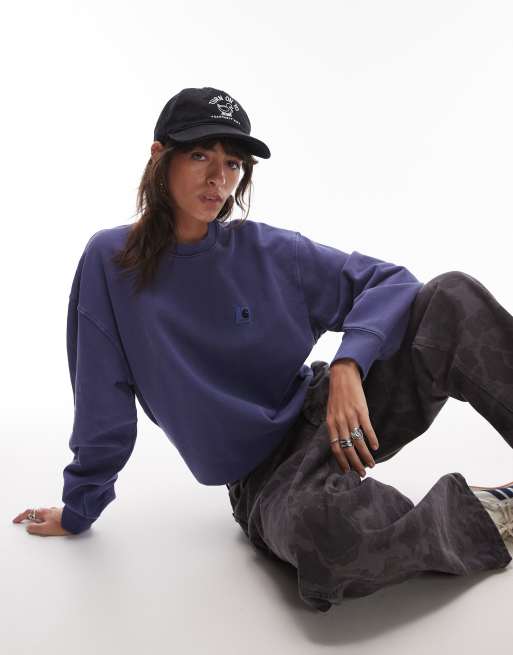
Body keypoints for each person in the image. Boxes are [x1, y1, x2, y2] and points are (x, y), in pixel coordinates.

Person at [12, 87, 513, 612]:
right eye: (200, 155)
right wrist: (79, 509)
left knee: (451, 299)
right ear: (159, 156)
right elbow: (102, 402)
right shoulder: (112, 262)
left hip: (335, 414)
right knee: (327, 542)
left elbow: (390, 281)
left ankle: (398, 514)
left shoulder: (267, 250)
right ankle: (486, 513)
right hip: (265, 478)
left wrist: (348, 365)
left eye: (233, 164)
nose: (218, 178)